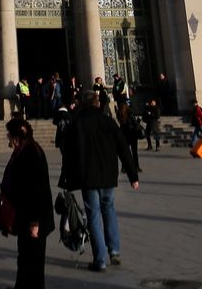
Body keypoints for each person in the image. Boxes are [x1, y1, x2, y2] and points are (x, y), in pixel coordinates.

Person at [59, 92, 140, 272]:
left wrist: (66, 180)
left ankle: (100, 260)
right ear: (97, 104)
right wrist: (133, 176)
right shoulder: (108, 121)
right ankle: (115, 251)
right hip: (108, 177)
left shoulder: (77, 124)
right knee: (109, 210)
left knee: (94, 216)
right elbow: (123, 148)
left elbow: (68, 154)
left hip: (88, 178)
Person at [0, 115, 54, 289]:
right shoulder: (25, 151)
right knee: (25, 257)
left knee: (33, 260)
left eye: (9, 136)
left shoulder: (31, 153)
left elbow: (37, 190)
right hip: (26, 215)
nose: (8, 140)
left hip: (34, 218)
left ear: (17, 137)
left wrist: (35, 222)